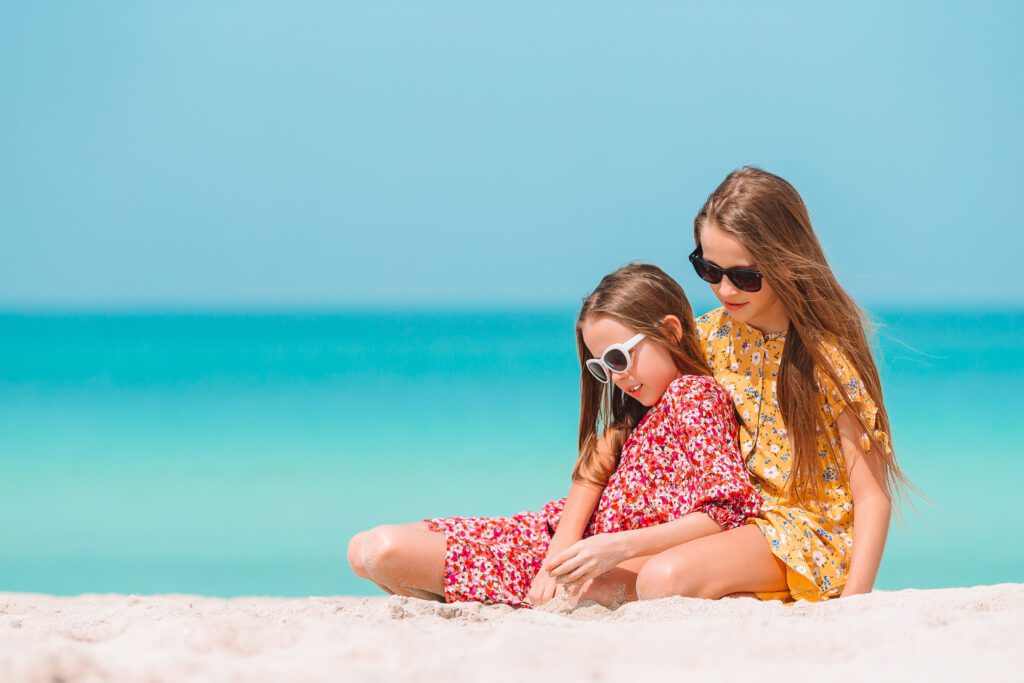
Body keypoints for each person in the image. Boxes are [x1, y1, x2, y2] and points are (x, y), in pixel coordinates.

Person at [551, 167, 911, 603]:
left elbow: (871, 497)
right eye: (708, 269)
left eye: (744, 276)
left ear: (784, 261)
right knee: (598, 590)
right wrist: (566, 542)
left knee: (664, 579)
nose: (724, 289)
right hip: (727, 524)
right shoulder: (704, 338)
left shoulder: (825, 359)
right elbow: (623, 436)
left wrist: (855, 603)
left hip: (806, 533)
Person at [347, 263, 761, 607]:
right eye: (603, 368)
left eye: (619, 357)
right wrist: (552, 558)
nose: (617, 378)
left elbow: (725, 512)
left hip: (592, 559)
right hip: (556, 541)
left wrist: (614, 547)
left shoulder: (694, 395)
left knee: (382, 549)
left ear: (670, 332)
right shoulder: (635, 422)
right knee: (362, 551)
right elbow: (586, 487)